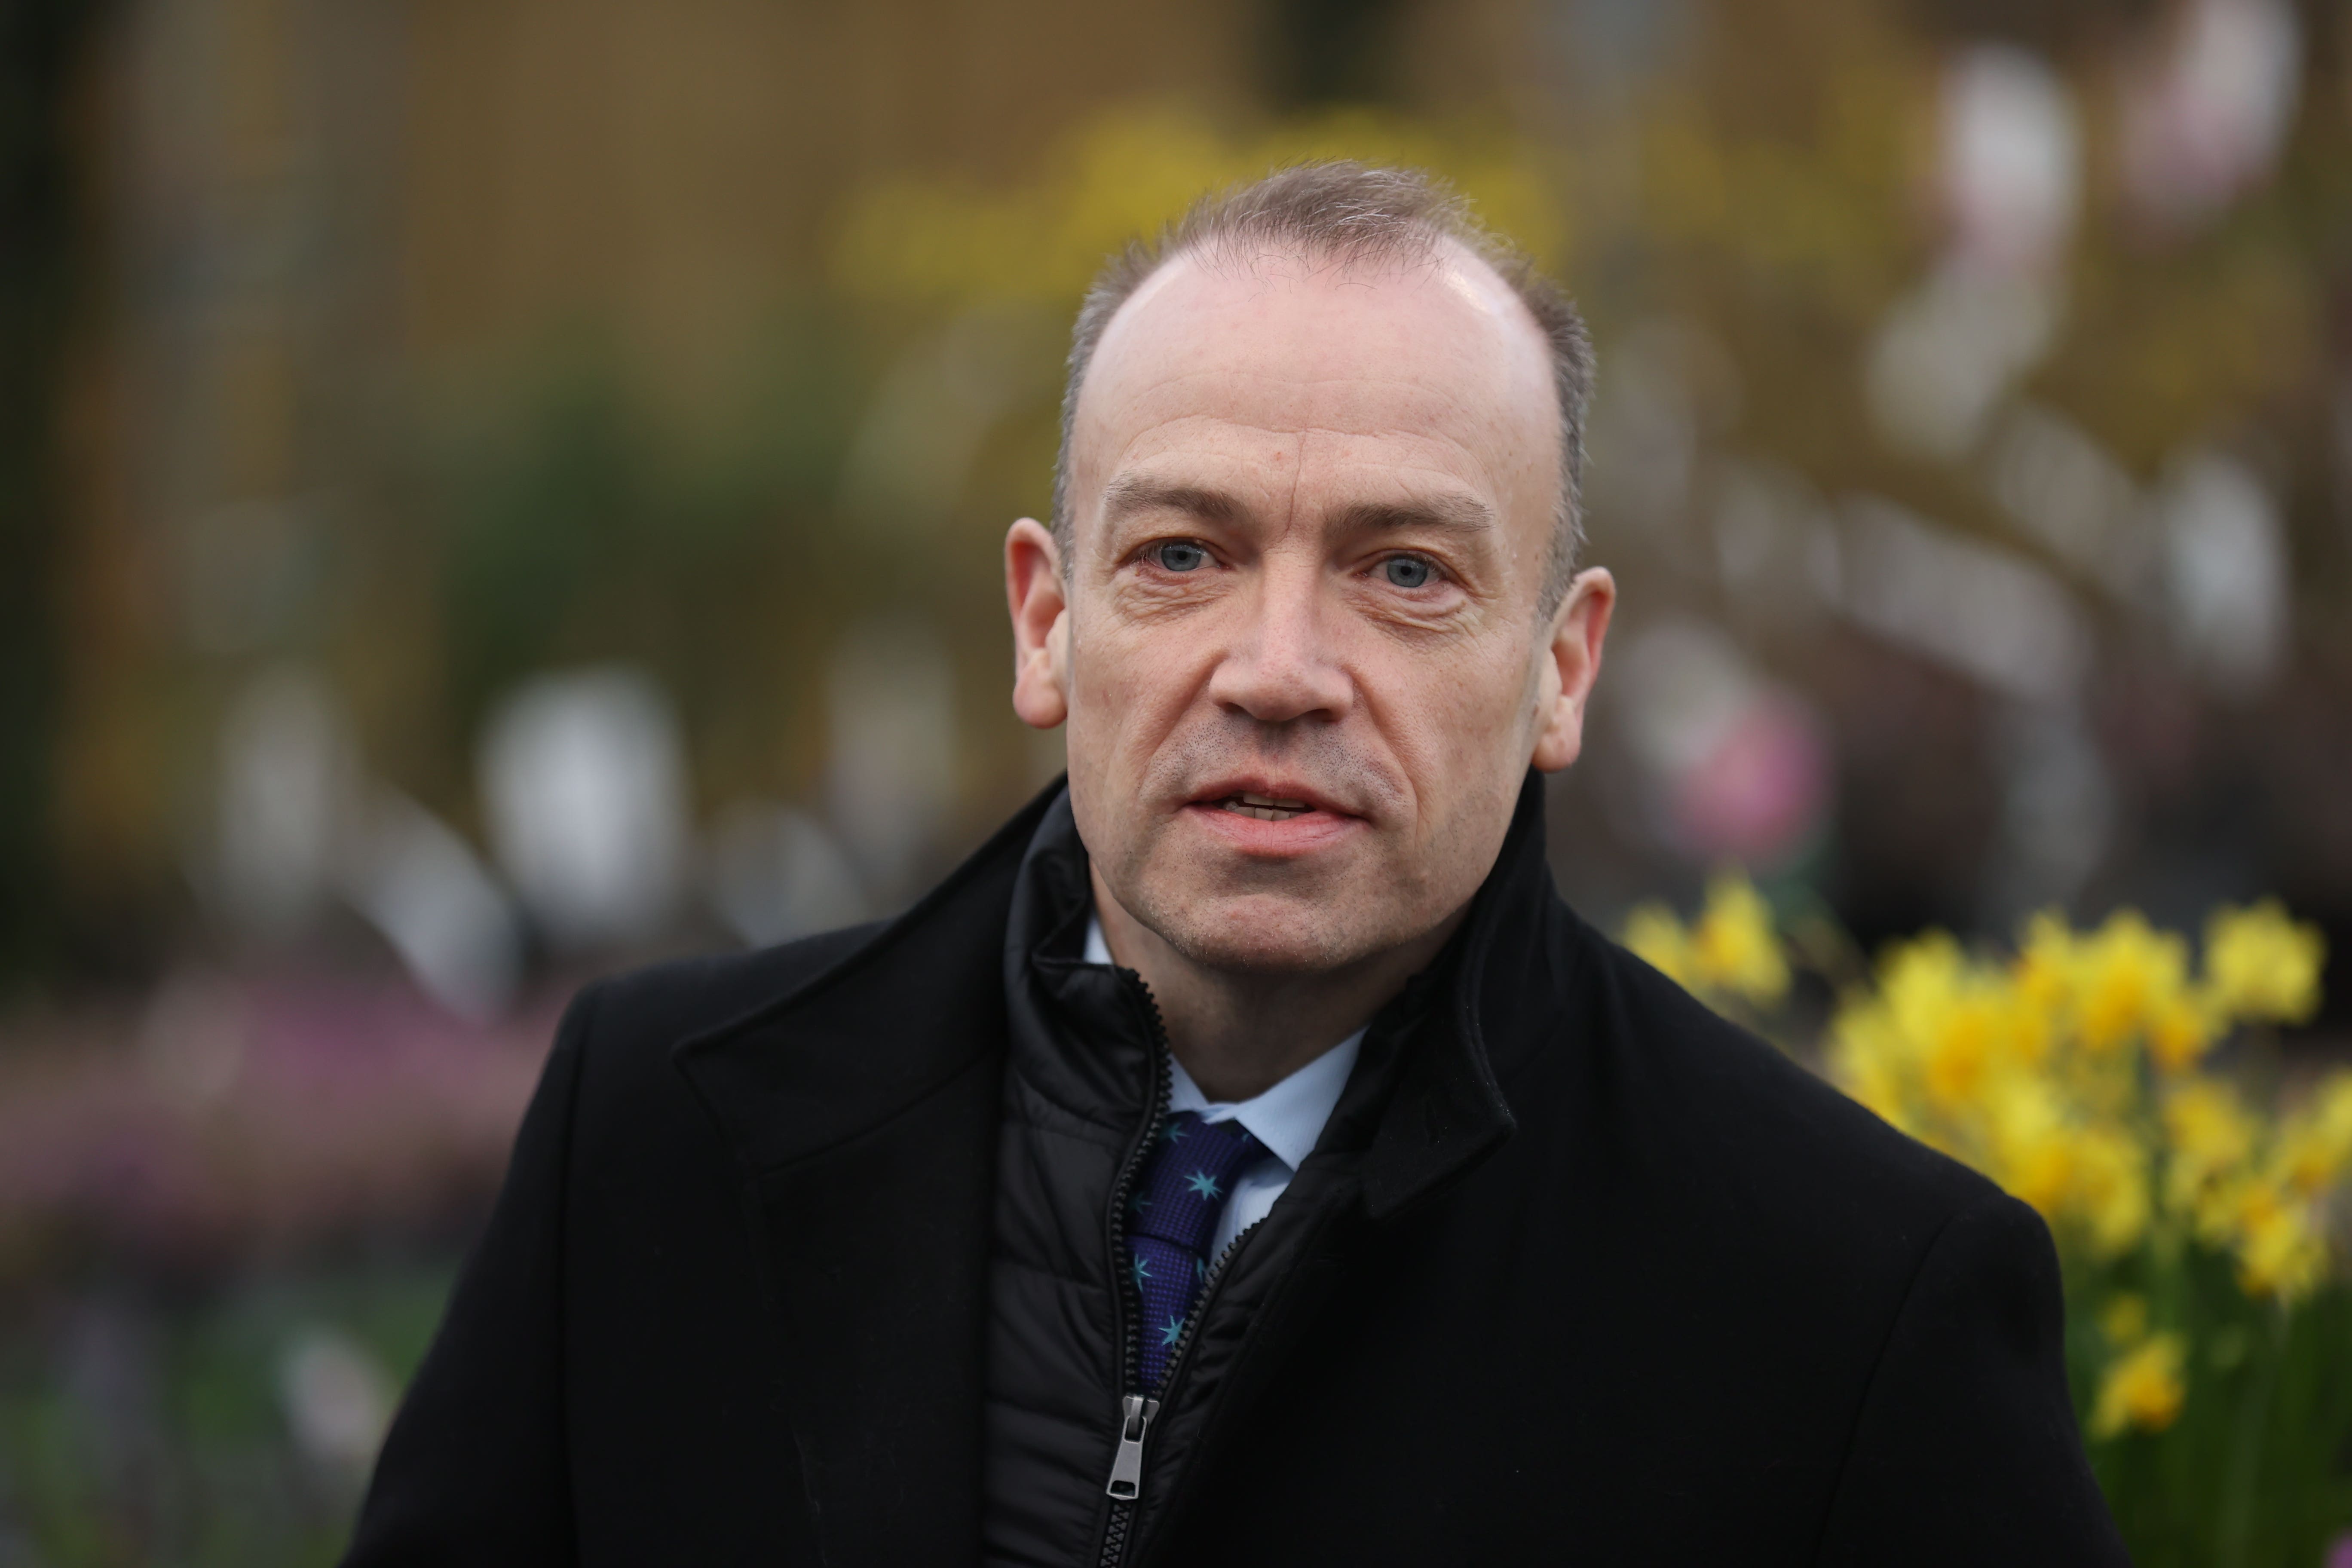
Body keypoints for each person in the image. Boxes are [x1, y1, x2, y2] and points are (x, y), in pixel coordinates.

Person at [344, 162, 2128, 1567]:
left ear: (1563, 667)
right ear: (1047, 623)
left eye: (1405, 571)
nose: (1279, 667)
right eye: (1187, 554)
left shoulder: (1851, 1298)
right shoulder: (651, 1132)